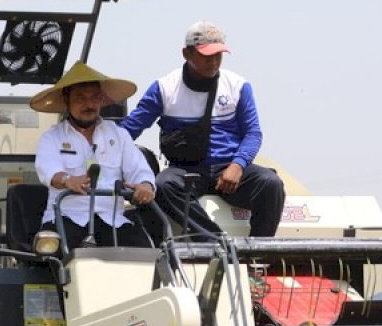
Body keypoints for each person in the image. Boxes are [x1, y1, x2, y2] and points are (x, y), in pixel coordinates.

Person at [120, 21, 286, 239]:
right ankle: (216, 242)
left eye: (218, 55)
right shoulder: (164, 88)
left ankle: (259, 252)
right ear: (186, 53)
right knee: (163, 185)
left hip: (229, 169)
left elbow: (253, 133)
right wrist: (95, 141)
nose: (213, 62)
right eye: (206, 56)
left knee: (271, 184)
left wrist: (238, 165)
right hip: (185, 171)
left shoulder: (238, 85)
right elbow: (128, 131)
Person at [31, 61, 156, 252]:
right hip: (66, 218)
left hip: (111, 220)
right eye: (80, 98)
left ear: (102, 100)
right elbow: (49, 171)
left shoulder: (119, 135)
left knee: (145, 253)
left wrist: (145, 186)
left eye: (94, 98)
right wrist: (67, 180)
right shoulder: (51, 137)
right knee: (51, 255)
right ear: (66, 100)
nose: (89, 105)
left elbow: (140, 171)